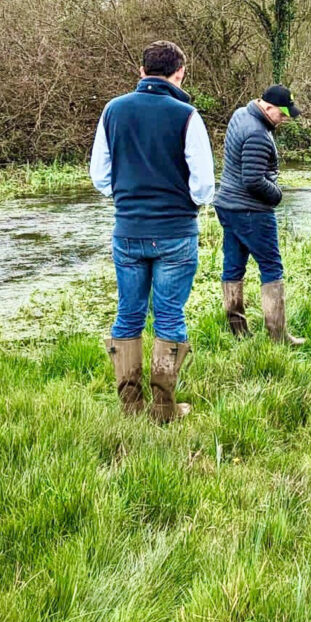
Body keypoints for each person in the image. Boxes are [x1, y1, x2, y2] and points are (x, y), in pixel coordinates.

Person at [90, 40, 215, 423]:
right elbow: (204, 184)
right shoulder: (187, 115)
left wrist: (127, 197)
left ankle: (130, 407)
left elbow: (100, 176)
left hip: (127, 230)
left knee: (128, 315)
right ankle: (164, 408)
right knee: (169, 315)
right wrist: (186, 203)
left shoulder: (113, 110)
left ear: (142, 72)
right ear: (180, 74)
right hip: (175, 232)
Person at [214, 85, 306, 346]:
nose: (286, 119)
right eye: (283, 114)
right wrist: (277, 195)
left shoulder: (240, 114)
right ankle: (278, 337)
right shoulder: (257, 133)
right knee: (271, 267)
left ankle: (237, 331)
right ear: (267, 107)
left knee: (233, 265)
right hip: (251, 210)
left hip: (228, 205)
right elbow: (253, 180)